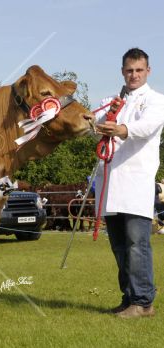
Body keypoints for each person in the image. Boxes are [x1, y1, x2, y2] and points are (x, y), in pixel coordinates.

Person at [93, 48, 164, 318]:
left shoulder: (157, 101)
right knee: (120, 246)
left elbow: (146, 128)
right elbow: (92, 124)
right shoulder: (111, 101)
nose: (133, 75)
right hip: (111, 183)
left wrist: (120, 130)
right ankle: (129, 297)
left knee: (138, 244)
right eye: (129, 70)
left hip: (136, 182)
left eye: (139, 70)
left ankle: (144, 302)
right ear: (122, 71)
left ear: (148, 71)